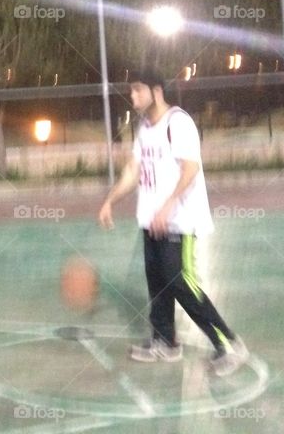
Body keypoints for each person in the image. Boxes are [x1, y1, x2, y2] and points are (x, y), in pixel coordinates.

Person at [97, 68, 248, 376]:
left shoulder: (178, 123)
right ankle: (165, 342)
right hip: (152, 221)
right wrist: (110, 201)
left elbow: (190, 169)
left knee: (181, 282)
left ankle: (229, 344)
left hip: (179, 220)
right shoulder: (144, 128)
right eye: (132, 91)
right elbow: (133, 171)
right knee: (157, 282)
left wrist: (168, 206)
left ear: (156, 91)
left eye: (138, 90)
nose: (133, 96)